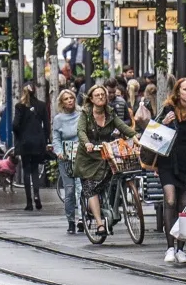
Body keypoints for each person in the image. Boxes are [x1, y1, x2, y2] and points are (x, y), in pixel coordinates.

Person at [75, 83, 134, 235]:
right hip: (88, 157)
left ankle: (110, 206)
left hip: (105, 154)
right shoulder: (86, 113)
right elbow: (81, 131)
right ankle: (100, 224)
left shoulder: (110, 113)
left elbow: (122, 126)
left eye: (103, 95)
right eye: (97, 95)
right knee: (91, 188)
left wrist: (135, 136)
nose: (101, 97)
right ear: (91, 99)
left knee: (115, 175)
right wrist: (87, 143)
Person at [152, 78, 186, 254]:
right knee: (170, 200)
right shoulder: (168, 109)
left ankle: (180, 248)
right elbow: (152, 132)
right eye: (185, 89)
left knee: (183, 205)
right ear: (178, 92)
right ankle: (169, 247)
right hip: (168, 161)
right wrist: (164, 123)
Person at [11, 84, 50, 211]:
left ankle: (29, 202)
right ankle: (37, 195)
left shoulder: (20, 106)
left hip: (25, 141)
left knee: (26, 170)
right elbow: (47, 125)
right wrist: (44, 139)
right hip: (38, 141)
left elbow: (15, 125)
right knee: (35, 170)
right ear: (35, 91)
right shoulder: (41, 105)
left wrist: (19, 135)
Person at [51, 87, 82, 233]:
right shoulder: (58, 119)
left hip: (80, 156)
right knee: (69, 191)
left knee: (81, 188)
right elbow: (56, 138)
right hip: (66, 157)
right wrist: (59, 152)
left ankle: (82, 218)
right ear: (62, 103)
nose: (70, 101)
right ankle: (71, 220)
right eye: (66, 99)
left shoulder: (81, 115)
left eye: (71, 98)